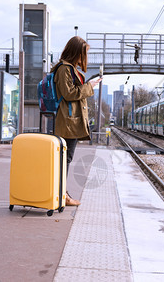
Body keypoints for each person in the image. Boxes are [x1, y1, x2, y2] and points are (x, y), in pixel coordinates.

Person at [52, 36, 101, 206]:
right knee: (65, 158)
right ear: (76, 53)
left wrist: (88, 84)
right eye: (83, 53)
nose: (84, 57)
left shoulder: (69, 68)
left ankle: (61, 193)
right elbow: (69, 93)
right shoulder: (64, 69)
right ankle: (61, 195)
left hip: (69, 119)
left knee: (65, 158)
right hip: (67, 121)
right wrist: (90, 86)